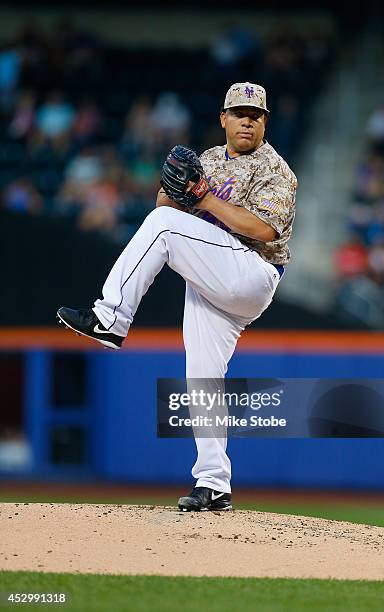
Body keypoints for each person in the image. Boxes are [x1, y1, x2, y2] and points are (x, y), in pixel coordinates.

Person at [57, 82, 297, 512]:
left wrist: (198, 198)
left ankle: (110, 318)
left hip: (252, 272)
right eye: (238, 112)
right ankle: (214, 483)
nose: (247, 119)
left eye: (255, 114)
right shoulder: (207, 161)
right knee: (202, 379)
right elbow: (170, 207)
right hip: (214, 276)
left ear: (265, 121)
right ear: (222, 118)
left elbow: (263, 230)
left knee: (162, 225)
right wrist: (169, 190)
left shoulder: (275, 169)